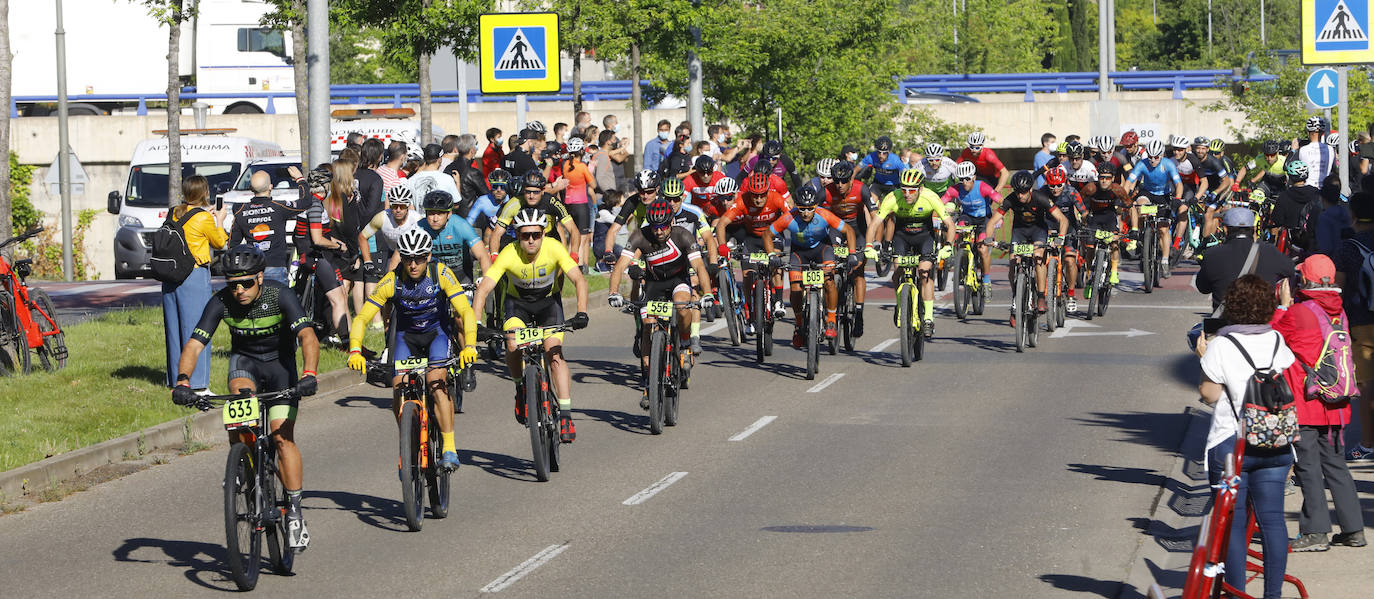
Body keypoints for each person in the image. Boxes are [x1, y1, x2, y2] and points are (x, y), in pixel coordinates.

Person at [172, 245, 320, 551]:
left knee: (282, 438)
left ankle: (294, 511)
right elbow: (195, 344)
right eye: (233, 284)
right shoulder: (221, 302)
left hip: (281, 369)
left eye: (247, 283)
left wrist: (309, 374)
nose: (239, 290)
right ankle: (243, 467)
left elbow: (307, 336)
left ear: (261, 278)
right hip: (246, 365)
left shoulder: (279, 295)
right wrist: (183, 381)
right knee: (240, 420)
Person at [1195, 274, 1295, 599]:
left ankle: (1235, 592)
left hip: (1231, 445)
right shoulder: (1278, 340)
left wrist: (1202, 357)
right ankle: (1273, 595)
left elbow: (1210, 395)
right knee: (1272, 520)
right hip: (1275, 441)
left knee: (1232, 525)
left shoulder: (1222, 344)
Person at [346, 228, 476, 470]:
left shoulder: (441, 274)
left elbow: (466, 311)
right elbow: (362, 318)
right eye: (407, 258)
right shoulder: (392, 280)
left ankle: (449, 447)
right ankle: (407, 438)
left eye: (418, 258)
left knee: (436, 382)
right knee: (398, 387)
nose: (413, 264)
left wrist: (469, 345)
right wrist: (355, 349)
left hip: (437, 334)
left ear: (428, 256)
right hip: (407, 337)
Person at [1268, 254, 1368, 552]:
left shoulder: (1300, 313)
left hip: (1308, 402)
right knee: (1336, 466)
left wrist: (1283, 305)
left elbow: (1273, 337)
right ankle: (1353, 530)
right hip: (1337, 404)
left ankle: (1316, 532)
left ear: (1305, 280)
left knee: (1308, 468)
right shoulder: (1339, 311)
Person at [470, 209, 590, 442]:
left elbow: (578, 279)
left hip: (548, 305)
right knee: (512, 344)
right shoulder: (509, 252)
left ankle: (565, 415)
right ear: (517, 235)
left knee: (554, 354)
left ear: (544, 233)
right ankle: (519, 389)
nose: (531, 240)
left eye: (536, 234)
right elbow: (484, 289)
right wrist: (476, 323)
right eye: (525, 235)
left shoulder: (554, 248)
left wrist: (582, 312)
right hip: (519, 307)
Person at [607, 200, 713, 403]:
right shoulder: (640, 235)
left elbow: (699, 266)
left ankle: (683, 341)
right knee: (648, 327)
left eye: (663, 226)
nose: (659, 231)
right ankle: (648, 381)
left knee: (682, 307)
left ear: (671, 222)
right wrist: (614, 292)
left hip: (677, 281)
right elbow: (620, 266)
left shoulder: (683, 235)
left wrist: (707, 293)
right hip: (653, 284)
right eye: (655, 227)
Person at [764, 186, 855, 347]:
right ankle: (799, 325)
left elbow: (848, 230)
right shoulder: (788, 217)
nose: (806, 213)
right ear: (796, 207)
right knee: (796, 289)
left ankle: (832, 319)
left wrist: (852, 253)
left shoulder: (824, 214)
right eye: (802, 209)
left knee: (829, 281)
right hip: (799, 253)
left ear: (815, 206)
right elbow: (767, 235)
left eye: (810, 209)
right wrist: (772, 255)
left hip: (823, 249)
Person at [866, 169, 956, 332]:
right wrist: (869, 246)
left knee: (924, 272)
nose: (907, 194)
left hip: (925, 237)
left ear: (920, 189)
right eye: (904, 189)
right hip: (902, 237)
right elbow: (874, 224)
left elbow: (950, 224)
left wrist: (948, 246)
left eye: (911, 190)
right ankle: (900, 305)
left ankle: (928, 317)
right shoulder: (893, 197)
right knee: (898, 271)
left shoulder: (930, 197)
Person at [162, 175, 228, 392]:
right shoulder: (203, 218)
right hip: (193, 275)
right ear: (205, 193)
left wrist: (206, 216)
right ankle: (197, 383)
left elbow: (191, 225)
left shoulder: (174, 212)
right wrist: (220, 220)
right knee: (198, 330)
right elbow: (219, 242)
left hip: (170, 276)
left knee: (174, 331)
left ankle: (176, 381)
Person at [982, 170, 1069, 316]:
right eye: (1017, 192)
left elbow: (1063, 219)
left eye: (1023, 192)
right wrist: (989, 239)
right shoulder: (1011, 199)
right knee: (1013, 262)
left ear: (1030, 190)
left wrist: (1060, 238)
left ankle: (1041, 296)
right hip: (1019, 232)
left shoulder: (1041, 198)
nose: (1020, 196)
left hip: (1038, 231)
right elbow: (992, 222)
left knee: (1038, 256)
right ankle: (1016, 298)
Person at [1334, 193, 1374, 460]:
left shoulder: (1348, 248)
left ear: (1353, 216)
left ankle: (1368, 443)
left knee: (1368, 385)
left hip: (1362, 322)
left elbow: (1337, 288)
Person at [1194, 207, 1294, 310]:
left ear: (1225, 229)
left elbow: (1203, 287)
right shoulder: (1270, 252)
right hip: (1262, 318)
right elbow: (1291, 271)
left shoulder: (1213, 254)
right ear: (1254, 229)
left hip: (1225, 320)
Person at [229, 168, 309, 285]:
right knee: (276, 302)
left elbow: (232, 245)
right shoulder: (279, 207)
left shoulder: (241, 211)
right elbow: (306, 202)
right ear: (270, 187)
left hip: (253, 269)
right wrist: (300, 179)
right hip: (276, 267)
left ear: (251, 189)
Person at [940, 161, 1002, 290]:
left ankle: (986, 280)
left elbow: (1000, 200)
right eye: (961, 179)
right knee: (958, 235)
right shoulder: (955, 189)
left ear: (973, 177)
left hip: (983, 219)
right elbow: (940, 203)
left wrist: (1000, 216)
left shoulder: (982, 187)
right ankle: (961, 262)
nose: (964, 182)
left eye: (967, 179)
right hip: (967, 217)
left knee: (982, 249)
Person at [358, 186, 423, 274]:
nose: (398, 210)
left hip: (413, 253)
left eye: (402, 206)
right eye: (395, 206)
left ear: (408, 206)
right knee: (390, 278)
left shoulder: (417, 219)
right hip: (392, 251)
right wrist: (367, 261)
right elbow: (362, 236)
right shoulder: (382, 217)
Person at [560, 138, 597, 265]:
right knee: (582, 236)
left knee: (572, 235)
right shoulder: (582, 167)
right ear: (581, 151)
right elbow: (593, 184)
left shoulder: (564, 165)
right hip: (581, 204)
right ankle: (579, 265)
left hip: (568, 203)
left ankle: (567, 264)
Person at [1272, 161, 1320, 253]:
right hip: (1312, 242)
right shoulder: (1316, 193)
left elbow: (1277, 221)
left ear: (1290, 177)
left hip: (1291, 244)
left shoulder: (1284, 196)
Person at [407, 144, 462, 210]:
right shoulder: (447, 179)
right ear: (439, 160)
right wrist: (458, 183)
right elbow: (456, 204)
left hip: (419, 219)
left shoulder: (411, 180)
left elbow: (411, 208)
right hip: (440, 219)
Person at [857, 136, 905, 200]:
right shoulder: (871, 157)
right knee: (869, 203)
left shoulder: (896, 160)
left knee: (890, 206)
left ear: (889, 152)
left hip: (893, 185)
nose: (881, 156)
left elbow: (905, 174)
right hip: (878, 183)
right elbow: (856, 169)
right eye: (879, 152)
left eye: (884, 153)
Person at [1297, 116, 1336, 187]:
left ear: (1308, 132)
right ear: (1323, 132)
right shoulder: (1330, 149)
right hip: (1325, 188)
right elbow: (1334, 169)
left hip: (1308, 188)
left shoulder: (1303, 150)